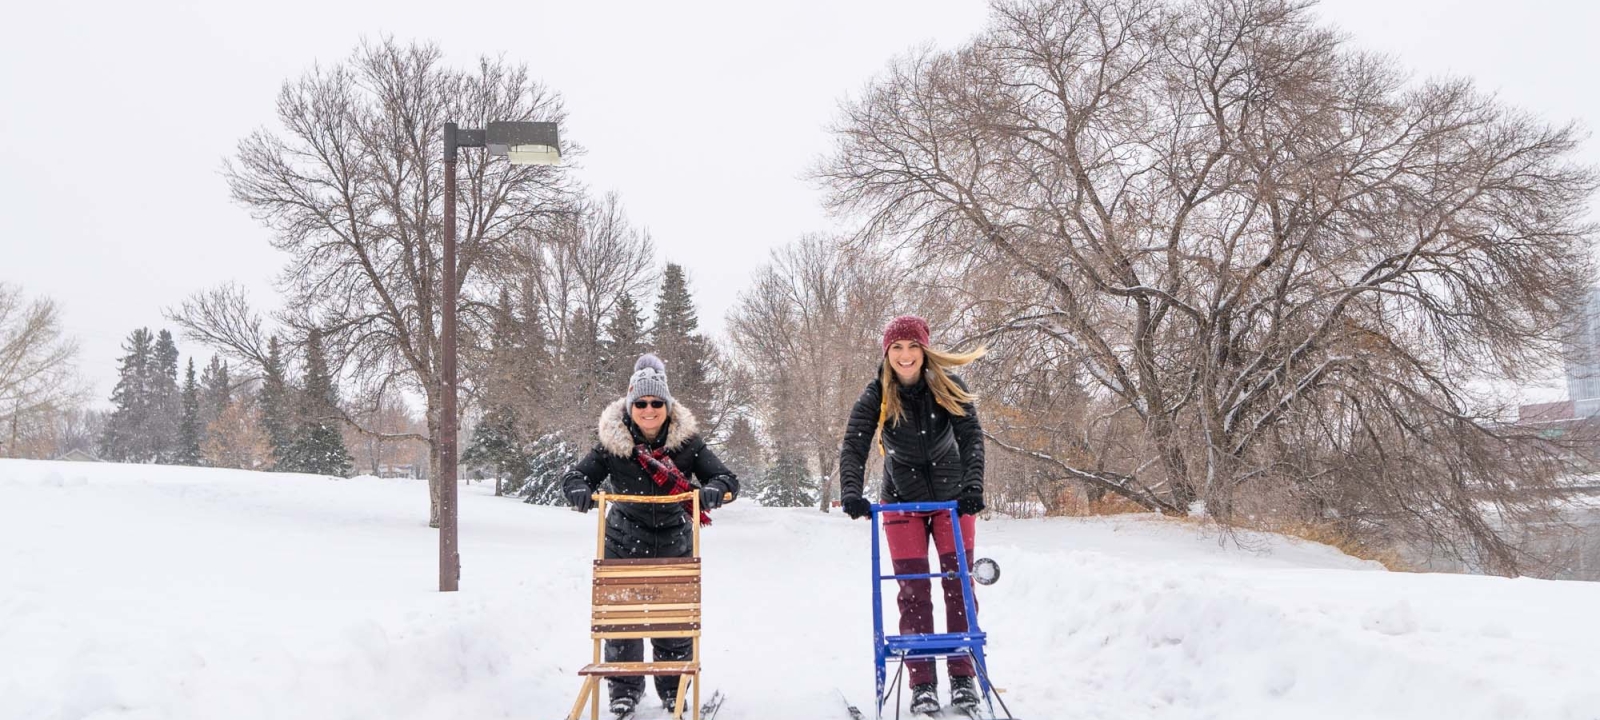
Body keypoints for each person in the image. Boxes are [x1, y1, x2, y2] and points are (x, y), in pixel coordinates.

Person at [562, 353, 739, 717]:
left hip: (674, 543)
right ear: (630, 405)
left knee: (673, 622)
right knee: (622, 623)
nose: (649, 409)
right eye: (641, 403)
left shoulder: (687, 443)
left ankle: (675, 691)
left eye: (656, 402)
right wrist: (578, 490)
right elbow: (576, 477)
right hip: (623, 542)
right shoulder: (613, 443)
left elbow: (727, 480)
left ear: (667, 406)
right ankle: (624, 692)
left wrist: (713, 491)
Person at [838, 315, 987, 715]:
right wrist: (851, 492)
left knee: (959, 588)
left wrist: (973, 487)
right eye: (897, 348)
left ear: (925, 350)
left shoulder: (948, 386)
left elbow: (971, 437)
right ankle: (922, 682)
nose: (905, 356)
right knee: (913, 590)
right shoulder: (876, 394)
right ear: (888, 353)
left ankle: (962, 677)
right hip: (901, 500)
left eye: (912, 347)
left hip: (953, 500)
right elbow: (854, 445)